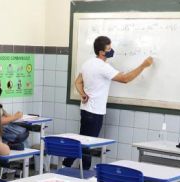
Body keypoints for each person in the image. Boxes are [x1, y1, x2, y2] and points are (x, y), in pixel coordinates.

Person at [64, 35, 154, 170]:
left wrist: (83, 94)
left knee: (85, 142)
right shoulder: (103, 67)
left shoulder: (88, 63)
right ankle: (70, 166)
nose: (111, 51)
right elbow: (125, 79)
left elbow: (78, 82)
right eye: (109, 49)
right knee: (86, 144)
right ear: (101, 52)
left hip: (86, 110)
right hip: (94, 113)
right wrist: (143, 65)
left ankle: (76, 168)